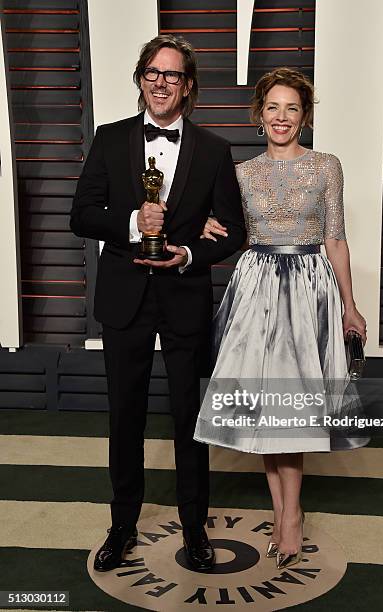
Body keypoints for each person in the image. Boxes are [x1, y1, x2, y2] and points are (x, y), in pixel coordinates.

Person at [70, 34, 246, 572]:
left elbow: (233, 229)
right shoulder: (109, 138)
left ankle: (195, 530)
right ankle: (122, 526)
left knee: (188, 420)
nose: (161, 82)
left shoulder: (215, 149)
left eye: (172, 75)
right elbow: (81, 215)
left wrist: (190, 253)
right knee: (125, 417)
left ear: (187, 86)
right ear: (141, 79)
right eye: (153, 72)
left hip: (183, 298)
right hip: (124, 299)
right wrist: (129, 223)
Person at [194, 68, 367, 570]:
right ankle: (284, 511)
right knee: (270, 408)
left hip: (310, 287)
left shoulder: (326, 166)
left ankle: (290, 516)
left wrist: (349, 305)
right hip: (256, 290)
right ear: (259, 113)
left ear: (304, 115)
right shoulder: (242, 173)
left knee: (293, 407)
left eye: (292, 108)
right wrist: (201, 222)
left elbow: (335, 237)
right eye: (273, 107)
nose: (282, 117)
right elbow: (227, 230)